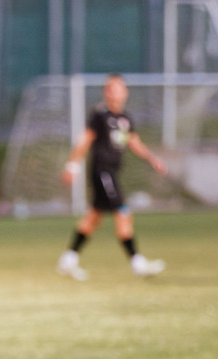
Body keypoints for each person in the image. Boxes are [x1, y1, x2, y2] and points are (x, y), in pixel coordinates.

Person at [56, 73, 167, 281]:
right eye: (111, 89)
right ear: (106, 93)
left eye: (118, 88)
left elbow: (134, 142)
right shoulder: (99, 115)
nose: (115, 93)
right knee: (123, 212)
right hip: (102, 172)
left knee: (93, 218)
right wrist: (72, 165)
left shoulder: (125, 119)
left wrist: (152, 159)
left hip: (112, 172)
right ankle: (137, 263)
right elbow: (85, 140)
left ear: (126, 92)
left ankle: (68, 259)